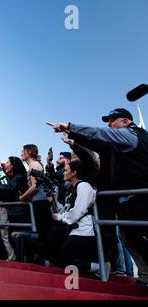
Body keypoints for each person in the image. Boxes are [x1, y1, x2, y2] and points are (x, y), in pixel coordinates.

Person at [53, 108, 148, 284]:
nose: (109, 124)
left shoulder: (131, 135)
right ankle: (145, 273)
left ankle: (124, 269)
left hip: (142, 196)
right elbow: (97, 143)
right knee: (129, 237)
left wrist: (71, 126)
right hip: (127, 199)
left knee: (137, 234)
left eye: (113, 120)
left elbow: (100, 134)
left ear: (125, 121)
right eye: (108, 121)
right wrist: (74, 140)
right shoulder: (114, 145)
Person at [51, 161, 108, 279]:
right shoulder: (73, 188)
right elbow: (68, 210)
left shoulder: (83, 186)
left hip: (84, 231)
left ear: (74, 173)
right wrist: (55, 201)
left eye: (66, 170)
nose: (63, 173)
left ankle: (99, 267)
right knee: (52, 242)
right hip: (75, 229)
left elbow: (77, 212)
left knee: (62, 261)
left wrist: (60, 217)